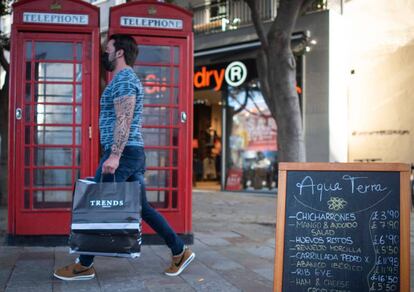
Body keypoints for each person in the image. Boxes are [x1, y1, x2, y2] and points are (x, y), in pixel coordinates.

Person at [53, 34, 195, 281]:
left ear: (119, 52)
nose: (104, 54)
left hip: (124, 153)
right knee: (142, 208)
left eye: (107, 49)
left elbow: (124, 118)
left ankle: (85, 264)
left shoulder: (125, 80)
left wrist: (115, 155)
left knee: (95, 205)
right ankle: (179, 250)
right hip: (131, 152)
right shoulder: (122, 79)